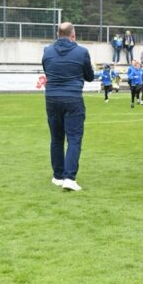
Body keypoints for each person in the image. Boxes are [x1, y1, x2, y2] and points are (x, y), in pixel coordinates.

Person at [42, 22, 94, 192]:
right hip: (72, 98)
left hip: (51, 98)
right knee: (74, 138)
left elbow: (47, 71)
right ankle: (69, 178)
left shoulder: (47, 51)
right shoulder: (81, 52)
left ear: (58, 34)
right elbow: (90, 76)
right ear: (73, 35)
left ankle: (57, 175)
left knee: (56, 138)